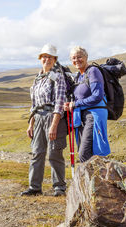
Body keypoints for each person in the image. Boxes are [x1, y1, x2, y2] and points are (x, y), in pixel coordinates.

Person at [21, 44, 68, 197]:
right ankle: (35, 187)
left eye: (50, 57)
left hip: (54, 118)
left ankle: (59, 187)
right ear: (40, 59)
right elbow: (34, 104)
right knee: (37, 153)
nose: (46, 59)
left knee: (54, 153)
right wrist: (31, 124)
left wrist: (54, 125)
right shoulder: (38, 78)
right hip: (38, 118)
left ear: (55, 59)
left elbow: (60, 102)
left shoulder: (58, 76)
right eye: (44, 57)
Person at [64, 46, 110, 163]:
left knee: (86, 152)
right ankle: (92, 180)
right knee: (84, 152)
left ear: (86, 57)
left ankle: (98, 179)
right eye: (73, 58)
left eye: (79, 57)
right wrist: (70, 104)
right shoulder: (79, 76)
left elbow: (97, 96)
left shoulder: (93, 71)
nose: (76, 60)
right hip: (81, 115)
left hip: (94, 114)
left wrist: (75, 104)